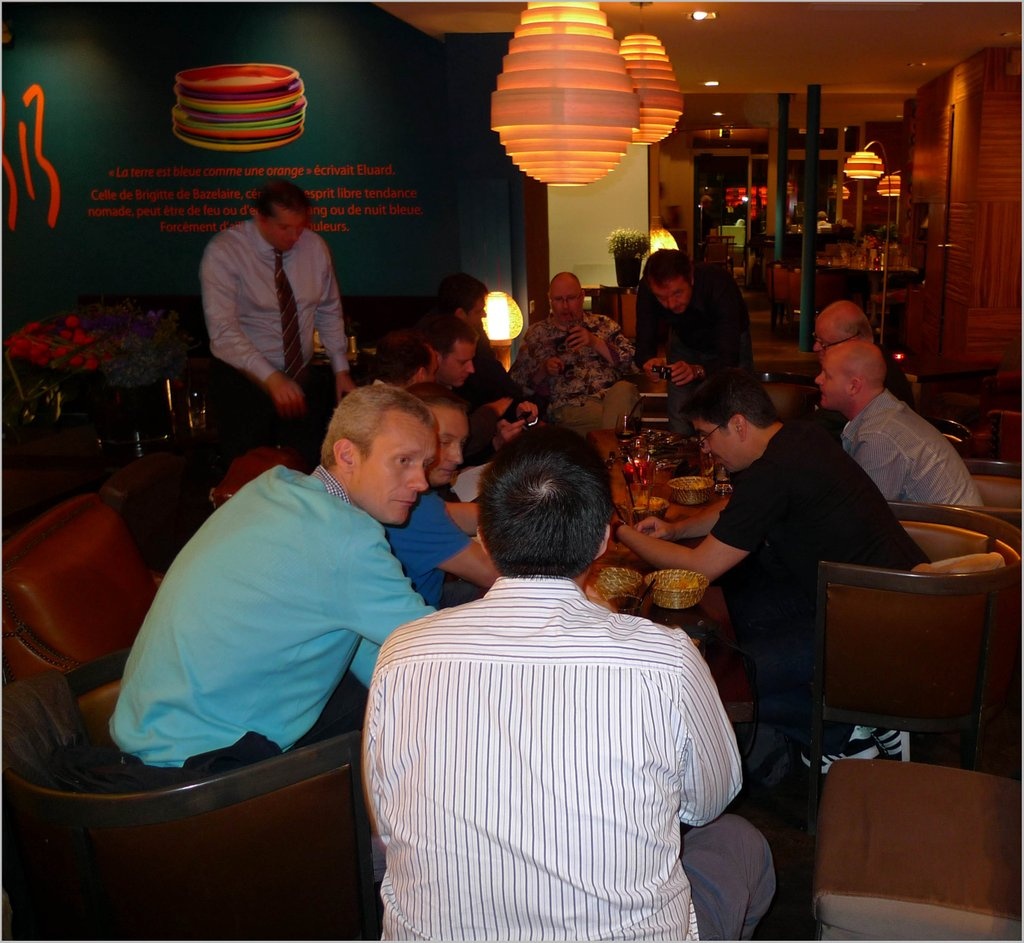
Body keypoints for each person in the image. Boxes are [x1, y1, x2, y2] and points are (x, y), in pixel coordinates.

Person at [364, 426, 776, 941]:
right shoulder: (666, 657)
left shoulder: (403, 651)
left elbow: (384, 819)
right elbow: (709, 801)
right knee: (739, 841)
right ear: (602, 540)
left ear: (484, 536)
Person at [110, 385, 437, 771]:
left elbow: (369, 640)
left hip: (150, 732)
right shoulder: (344, 537)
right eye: (403, 461)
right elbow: (439, 650)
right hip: (207, 763)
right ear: (347, 454)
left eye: (425, 464)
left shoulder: (274, 489)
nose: (422, 482)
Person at [615, 369, 927, 770]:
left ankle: (844, 733)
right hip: (864, 599)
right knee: (737, 615)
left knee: (719, 679)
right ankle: (851, 720)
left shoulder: (776, 470)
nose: (705, 448)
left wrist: (619, 531)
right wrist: (676, 530)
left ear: (738, 424)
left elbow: (698, 569)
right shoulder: (799, 437)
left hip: (873, 626)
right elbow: (738, 508)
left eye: (706, 435)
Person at [200, 180, 357, 469]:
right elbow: (223, 331)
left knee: (306, 466)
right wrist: (270, 378)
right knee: (249, 472)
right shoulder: (225, 251)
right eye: (285, 227)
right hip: (243, 381)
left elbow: (328, 309)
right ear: (260, 217)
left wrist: (341, 370)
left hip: (299, 376)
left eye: (300, 226)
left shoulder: (314, 247)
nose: (295, 236)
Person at [816, 340, 983, 506]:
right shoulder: (884, 413)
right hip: (943, 520)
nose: (818, 380)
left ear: (854, 386)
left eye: (827, 375)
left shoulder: (878, 436)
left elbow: (868, 513)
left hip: (950, 523)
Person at [384, 382, 497, 608]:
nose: (458, 457)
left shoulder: (404, 492)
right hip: (419, 615)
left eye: (461, 443)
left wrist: (528, 515)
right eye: (444, 442)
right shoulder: (414, 506)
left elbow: (454, 514)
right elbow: (492, 574)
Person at [635, 249, 753, 435]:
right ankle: (683, 451)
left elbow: (729, 358)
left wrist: (697, 370)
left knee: (735, 410)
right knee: (680, 415)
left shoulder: (718, 283)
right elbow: (644, 340)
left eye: (677, 293)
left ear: (690, 276)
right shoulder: (648, 286)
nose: (671, 304)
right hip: (684, 341)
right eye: (662, 298)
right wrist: (649, 361)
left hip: (730, 343)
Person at [510, 271, 638, 437]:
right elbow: (518, 385)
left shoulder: (603, 324)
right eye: (558, 299)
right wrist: (544, 370)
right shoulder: (537, 334)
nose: (565, 306)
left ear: (582, 297)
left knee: (625, 390)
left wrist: (595, 342)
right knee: (622, 421)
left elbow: (632, 364)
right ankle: (613, 442)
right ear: (550, 299)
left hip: (611, 397)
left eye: (570, 298)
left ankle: (609, 444)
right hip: (571, 405)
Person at [429, 273, 539, 465]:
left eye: (471, 360)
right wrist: (493, 424)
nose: (471, 369)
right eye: (463, 362)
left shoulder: (470, 359)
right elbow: (457, 463)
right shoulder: (428, 402)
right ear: (437, 358)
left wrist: (520, 417)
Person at [813, 300, 916, 408]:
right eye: (816, 338)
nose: (815, 347)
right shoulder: (872, 362)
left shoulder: (873, 379)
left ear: (853, 341)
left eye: (824, 343)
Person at [367, 329, 437, 388]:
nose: (434, 379)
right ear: (420, 376)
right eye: (433, 373)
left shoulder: (364, 397)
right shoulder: (401, 400)